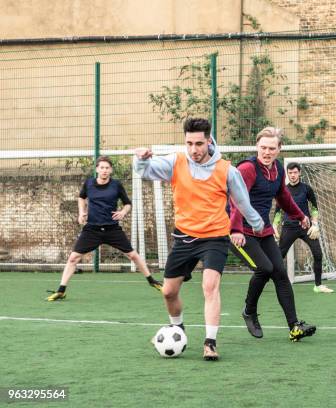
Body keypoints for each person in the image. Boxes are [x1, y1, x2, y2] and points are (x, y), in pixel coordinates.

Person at [134, 118, 264, 361]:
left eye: (199, 144)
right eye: (189, 143)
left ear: (209, 141)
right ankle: (178, 329)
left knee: (209, 287)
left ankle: (210, 343)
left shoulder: (227, 170)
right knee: (168, 292)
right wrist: (140, 158)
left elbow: (243, 202)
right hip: (184, 236)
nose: (194, 149)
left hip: (214, 237)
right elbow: (144, 171)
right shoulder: (176, 161)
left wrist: (258, 224)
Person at [230, 127, 316, 342]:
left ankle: (294, 326)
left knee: (279, 272)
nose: (266, 152)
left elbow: (283, 197)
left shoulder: (277, 168)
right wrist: (236, 229)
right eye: (263, 148)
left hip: (263, 230)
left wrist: (300, 216)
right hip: (240, 231)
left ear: (279, 149)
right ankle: (249, 311)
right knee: (264, 268)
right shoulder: (248, 169)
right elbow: (235, 199)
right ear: (256, 147)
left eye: (271, 148)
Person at [46, 156, 162, 301]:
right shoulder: (89, 183)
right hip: (92, 230)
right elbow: (81, 198)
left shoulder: (116, 185)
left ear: (111, 170)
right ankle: (61, 290)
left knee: (133, 255)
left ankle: (153, 282)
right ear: (97, 169)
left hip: (112, 229)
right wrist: (82, 212)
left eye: (107, 168)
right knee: (73, 258)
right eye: (102, 168)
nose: (104, 170)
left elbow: (127, 203)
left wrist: (123, 212)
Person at [273, 162, 333, 293]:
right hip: (288, 227)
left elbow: (314, 208)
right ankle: (269, 281)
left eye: (295, 172)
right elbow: (278, 211)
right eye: (290, 173)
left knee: (318, 253)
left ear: (299, 173)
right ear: (287, 174)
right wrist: (274, 225)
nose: (292, 175)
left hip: (306, 227)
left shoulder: (307, 189)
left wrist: (315, 224)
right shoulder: (283, 190)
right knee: (278, 256)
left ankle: (318, 285)